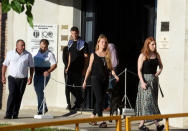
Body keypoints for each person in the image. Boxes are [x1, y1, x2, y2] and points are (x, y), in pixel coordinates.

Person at [82, 34, 119, 128]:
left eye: (105, 42)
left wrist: (115, 75)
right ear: (98, 43)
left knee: (100, 100)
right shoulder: (93, 55)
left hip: (105, 79)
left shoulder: (107, 54)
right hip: (96, 79)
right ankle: (101, 120)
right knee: (99, 99)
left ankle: (92, 117)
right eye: (102, 42)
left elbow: (110, 67)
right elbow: (89, 68)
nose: (104, 44)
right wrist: (85, 80)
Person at [135, 37, 164, 131]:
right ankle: (157, 124)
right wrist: (142, 82)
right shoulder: (143, 55)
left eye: (155, 44)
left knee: (153, 102)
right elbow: (139, 70)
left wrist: (159, 71)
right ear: (147, 45)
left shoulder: (157, 55)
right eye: (152, 44)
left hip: (154, 81)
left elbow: (161, 66)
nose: (154, 46)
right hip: (145, 80)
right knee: (147, 101)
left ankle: (141, 124)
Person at [2, 39, 34, 119]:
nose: (23, 47)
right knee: (12, 94)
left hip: (23, 79)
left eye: (24, 45)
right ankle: (8, 114)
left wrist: (30, 77)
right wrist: (3, 76)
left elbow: (31, 67)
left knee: (19, 96)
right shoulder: (10, 53)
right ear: (17, 46)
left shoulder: (28, 55)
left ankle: (15, 114)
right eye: (21, 45)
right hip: (12, 78)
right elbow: (5, 65)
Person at [65, 26, 89, 111]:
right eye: (72, 33)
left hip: (79, 69)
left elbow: (86, 57)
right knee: (68, 87)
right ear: (71, 33)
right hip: (71, 68)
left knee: (78, 88)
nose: (74, 35)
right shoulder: (70, 43)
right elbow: (70, 56)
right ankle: (69, 104)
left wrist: (85, 69)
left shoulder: (83, 43)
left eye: (75, 33)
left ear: (78, 33)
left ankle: (78, 103)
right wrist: (68, 66)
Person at [34, 39, 57, 115]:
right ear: (40, 45)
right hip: (36, 74)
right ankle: (44, 107)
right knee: (38, 91)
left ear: (47, 46)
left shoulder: (50, 54)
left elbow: (54, 65)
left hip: (45, 74)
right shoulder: (35, 52)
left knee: (39, 89)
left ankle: (41, 110)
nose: (43, 48)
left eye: (45, 47)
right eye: (42, 46)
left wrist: (48, 71)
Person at [103, 43, 119, 111]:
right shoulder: (112, 48)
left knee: (109, 89)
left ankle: (109, 106)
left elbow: (112, 63)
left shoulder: (110, 47)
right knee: (109, 89)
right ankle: (110, 106)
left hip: (112, 69)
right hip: (112, 69)